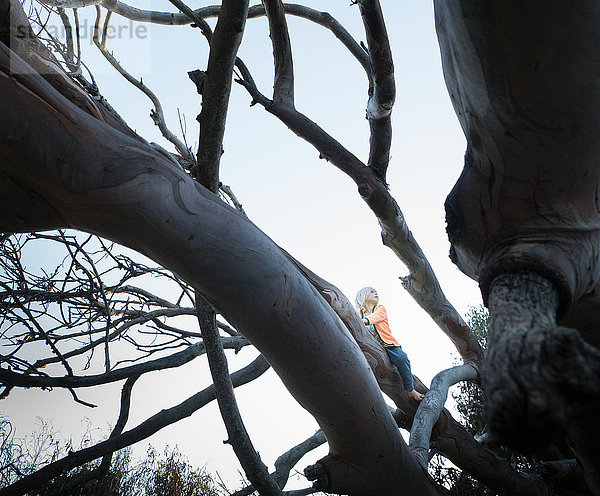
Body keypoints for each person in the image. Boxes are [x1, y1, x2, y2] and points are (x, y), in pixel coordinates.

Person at [355, 286, 424, 402]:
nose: (376, 293)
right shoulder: (359, 314)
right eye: (372, 292)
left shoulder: (379, 308)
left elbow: (374, 318)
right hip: (370, 347)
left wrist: (363, 322)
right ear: (363, 296)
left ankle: (410, 390)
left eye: (376, 291)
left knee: (402, 359)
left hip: (388, 345)